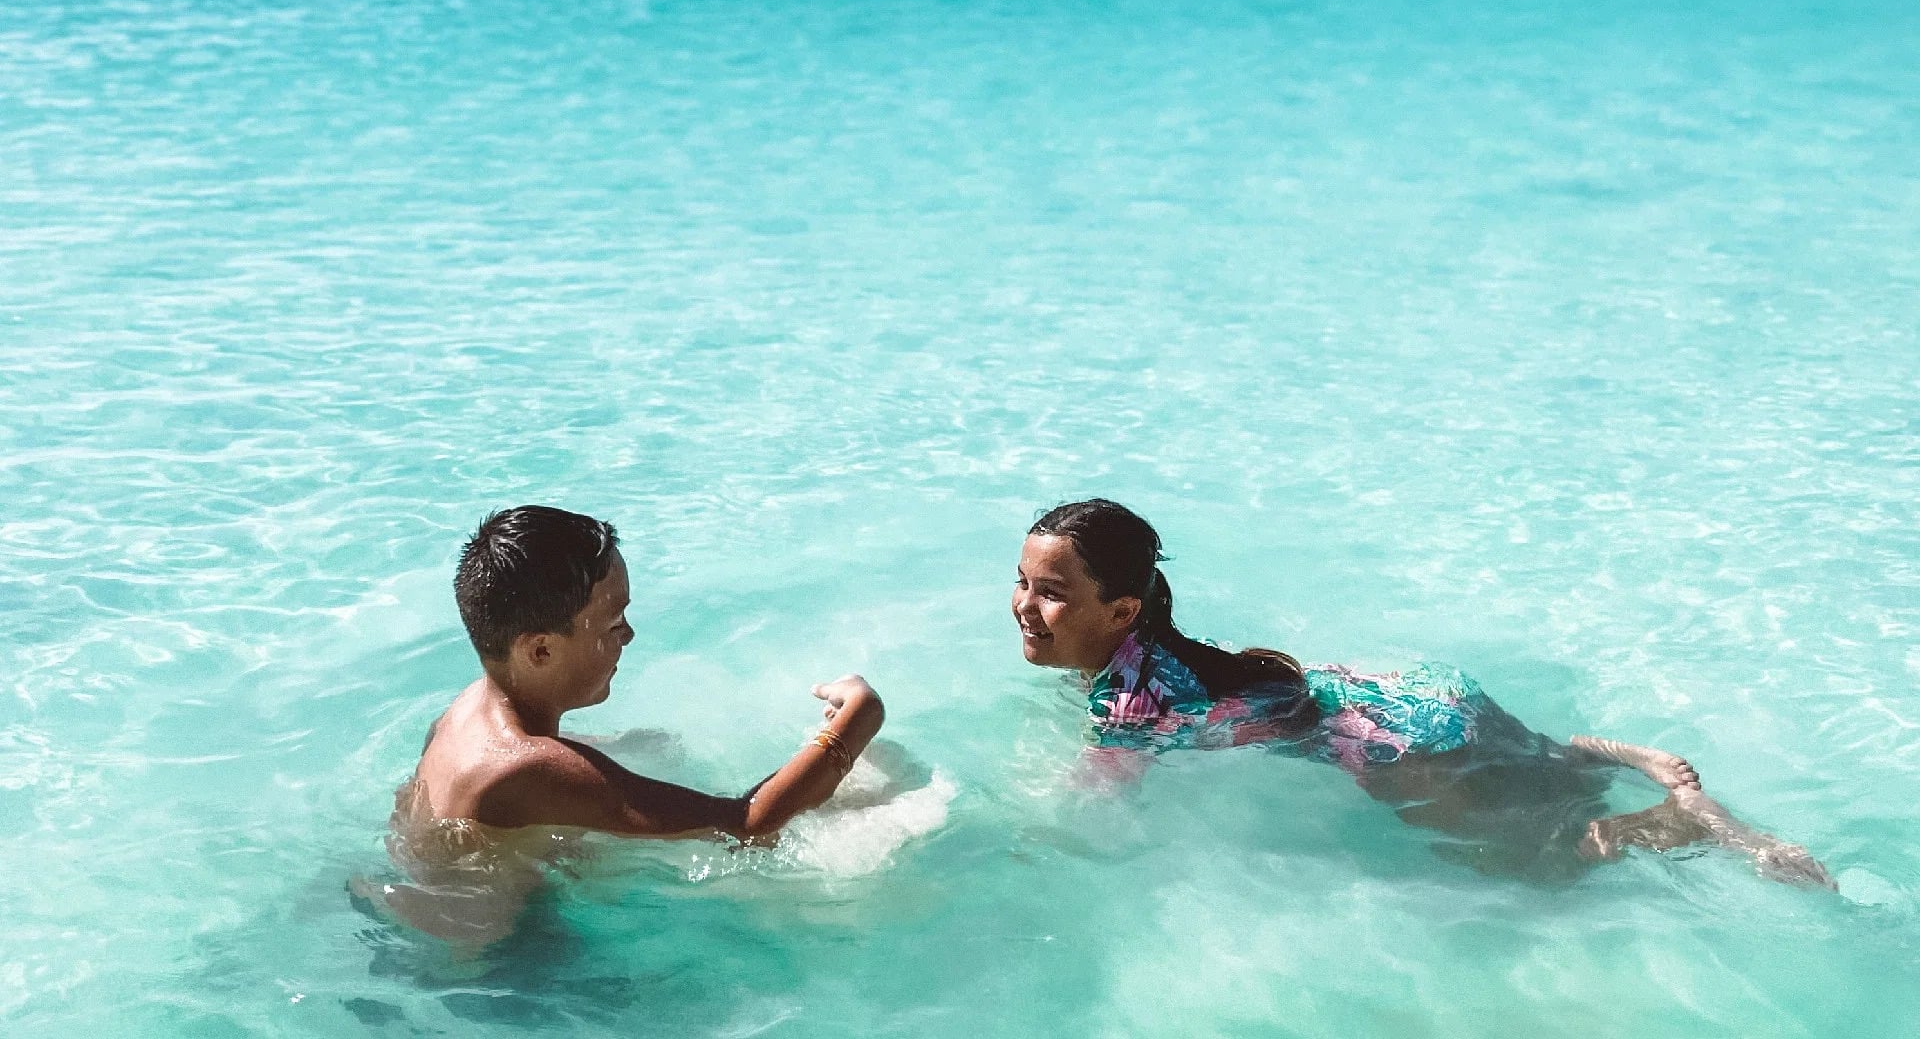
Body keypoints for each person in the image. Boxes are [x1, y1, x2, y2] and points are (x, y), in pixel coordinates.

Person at [1011, 498, 1832, 886]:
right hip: (1413, 691)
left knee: (1533, 868)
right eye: (1020, 582)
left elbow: (1094, 811)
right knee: (1546, 770)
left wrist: (1039, 837)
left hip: (1392, 746)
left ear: (1121, 609)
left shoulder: (1125, 704)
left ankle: (1672, 822)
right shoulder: (1185, 648)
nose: (1024, 606)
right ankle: (1613, 756)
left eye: (1051, 592)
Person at [356, 505, 885, 944]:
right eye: (612, 623)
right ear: (540, 649)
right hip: (507, 972)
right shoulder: (532, 765)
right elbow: (750, 825)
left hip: (442, 919)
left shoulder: (469, 709)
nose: (628, 636)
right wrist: (856, 722)